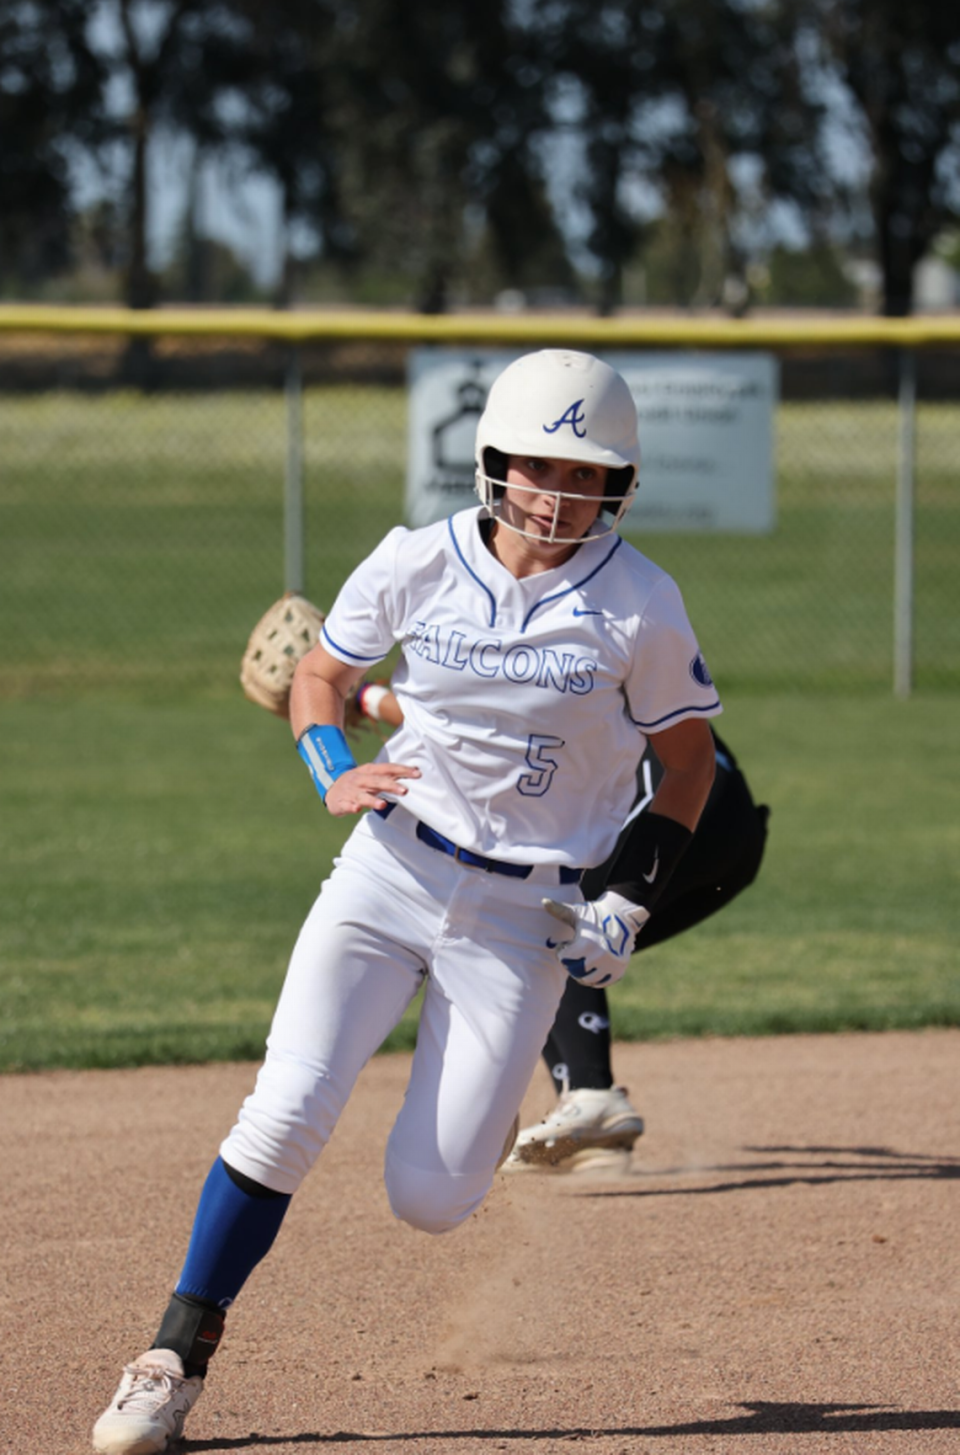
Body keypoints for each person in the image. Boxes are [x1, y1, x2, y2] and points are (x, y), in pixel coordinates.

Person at [92, 348, 722, 1455]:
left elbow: (687, 764)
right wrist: (329, 762)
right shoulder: (416, 560)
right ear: (494, 463)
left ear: (617, 482)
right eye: (539, 467)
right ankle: (170, 1360)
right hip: (389, 871)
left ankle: (479, 1112)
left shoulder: (640, 603)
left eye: (587, 474)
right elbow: (319, 677)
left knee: (430, 1199)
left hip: (524, 918)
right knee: (283, 1117)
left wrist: (628, 894)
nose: (559, 495)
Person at [349, 686, 769, 1172]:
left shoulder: (529, 643)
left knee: (546, 919)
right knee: (557, 940)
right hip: (734, 830)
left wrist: (362, 694)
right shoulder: (607, 632)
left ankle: (592, 1096)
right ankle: (593, 1130)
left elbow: (460, 720)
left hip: (677, 803)